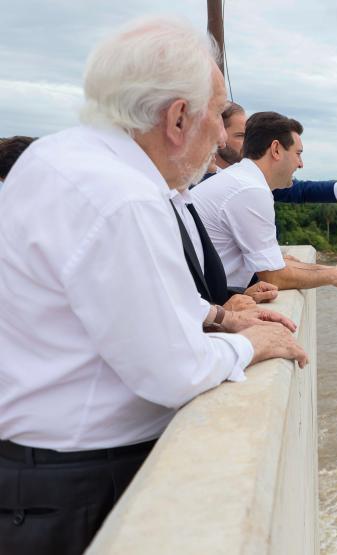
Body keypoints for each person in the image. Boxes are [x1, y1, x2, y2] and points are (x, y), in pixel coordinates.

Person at [0, 18, 307, 555]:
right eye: (216, 115)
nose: (220, 136)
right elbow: (173, 373)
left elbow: (103, 295)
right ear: (178, 116)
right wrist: (249, 343)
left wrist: (216, 316)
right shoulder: (124, 198)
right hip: (79, 483)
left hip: (34, 472)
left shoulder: (57, 158)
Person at [192, 111, 337, 293]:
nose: (300, 164)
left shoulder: (239, 179)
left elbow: (272, 266)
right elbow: (273, 276)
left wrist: (330, 270)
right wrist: (332, 276)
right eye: (298, 154)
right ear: (276, 149)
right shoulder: (250, 190)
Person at [201, 101, 337, 203]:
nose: (247, 142)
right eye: (240, 135)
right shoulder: (196, 184)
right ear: (220, 135)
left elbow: (299, 191)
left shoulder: (251, 177)